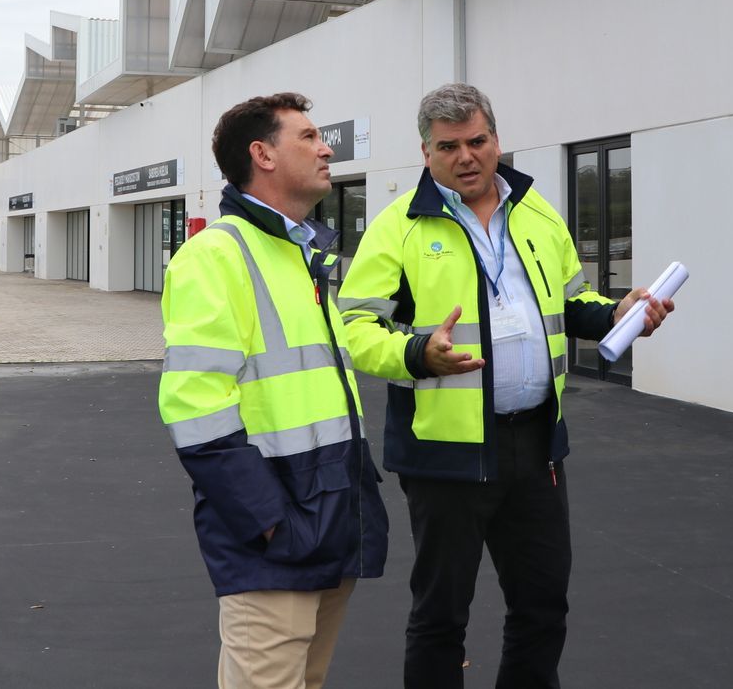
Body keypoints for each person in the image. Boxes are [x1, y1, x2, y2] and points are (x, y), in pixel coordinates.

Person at [338, 83, 674, 689]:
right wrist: (417, 352)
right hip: (445, 454)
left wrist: (617, 314)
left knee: (543, 608)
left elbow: (571, 304)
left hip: (535, 447)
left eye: (478, 141)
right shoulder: (399, 227)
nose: (466, 156)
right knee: (441, 618)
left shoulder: (538, 212)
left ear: (496, 139)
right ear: (425, 152)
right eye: (449, 147)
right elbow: (356, 327)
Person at [159, 92, 483, 689]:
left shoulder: (304, 255)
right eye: (307, 136)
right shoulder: (216, 255)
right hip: (275, 531)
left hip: (327, 513)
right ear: (262, 154)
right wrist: (268, 521)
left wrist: (415, 354)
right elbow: (195, 409)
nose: (325, 147)